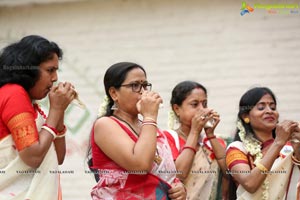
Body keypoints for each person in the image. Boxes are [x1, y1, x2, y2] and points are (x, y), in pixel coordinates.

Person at [87, 62, 186, 200]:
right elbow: (140, 166)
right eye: (135, 85)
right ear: (114, 93)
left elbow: (166, 171)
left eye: (145, 85)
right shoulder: (105, 125)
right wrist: (150, 116)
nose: (143, 91)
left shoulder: (149, 127)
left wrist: (178, 187)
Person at [0, 35, 75, 199]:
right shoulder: (14, 94)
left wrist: (59, 110)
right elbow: (33, 156)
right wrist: (55, 109)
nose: (55, 78)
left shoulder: (29, 102)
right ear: (28, 69)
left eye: (56, 71)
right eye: (50, 70)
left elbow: (58, 156)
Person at [225, 87, 300, 199]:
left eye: (273, 107)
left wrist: (298, 149)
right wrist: (278, 142)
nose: (269, 111)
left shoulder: (288, 147)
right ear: (246, 116)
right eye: (261, 107)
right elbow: (250, 184)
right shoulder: (237, 149)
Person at [163, 80, 229, 200]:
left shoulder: (212, 141)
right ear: (177, 109)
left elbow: (229, 174)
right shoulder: (167, 139)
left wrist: (210, 135)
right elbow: (179, 175)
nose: (202, 109)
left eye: (204, 104)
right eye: (194, 104)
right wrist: (194, 132)